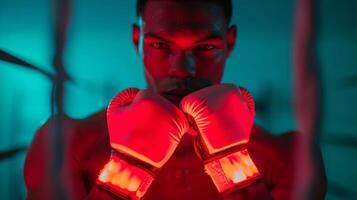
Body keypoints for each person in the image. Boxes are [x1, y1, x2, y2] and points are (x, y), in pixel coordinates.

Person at [24, 0, 327, 199]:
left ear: (229, 42)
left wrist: (233, 163)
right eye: (160, 45)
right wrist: (129, 168)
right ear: (137, 41)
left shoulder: (291, 158)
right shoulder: (64, 143)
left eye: (205, 47)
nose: (182, 69)